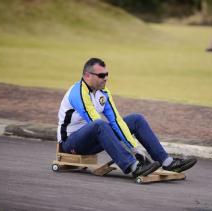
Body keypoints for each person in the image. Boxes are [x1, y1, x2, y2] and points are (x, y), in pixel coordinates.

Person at [57, 58, 197, 177]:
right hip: (71, 144)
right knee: (100, 124)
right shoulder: (78, 93)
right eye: (101, 75)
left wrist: (136, 148)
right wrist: (130, 149)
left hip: (93, 139)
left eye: (107, 74)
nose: (105, 78)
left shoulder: (103, 93)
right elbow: (94, 122)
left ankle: (167, 162)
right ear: (87, 75)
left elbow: (116, 121)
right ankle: (133, 166)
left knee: (136, 119)